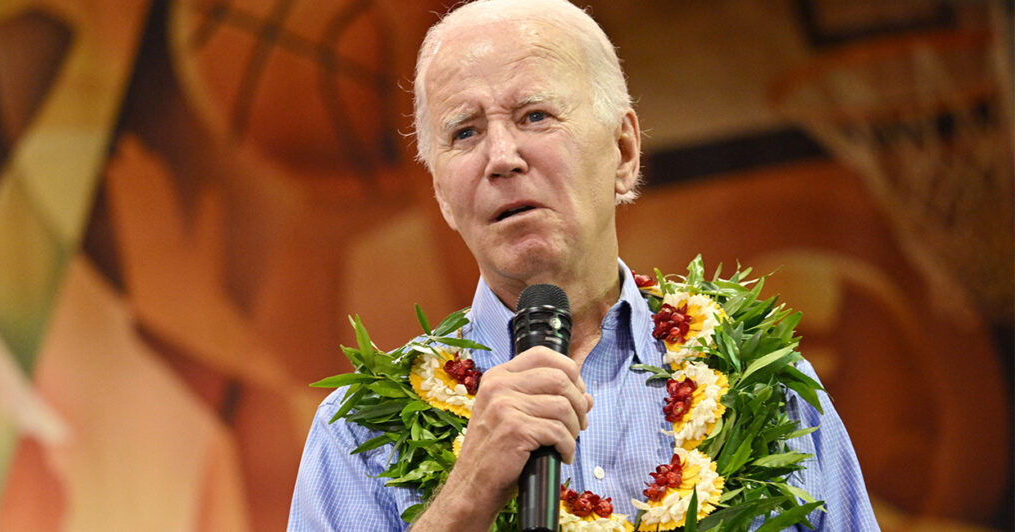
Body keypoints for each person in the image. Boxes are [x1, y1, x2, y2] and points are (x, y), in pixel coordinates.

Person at [288, 0, 879, 530]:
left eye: (535, 115)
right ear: (442, 192)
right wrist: (466, 497)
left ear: (623, 151)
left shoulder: (766, 383)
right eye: (464, 132)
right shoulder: (358, 433)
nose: (501, 158)